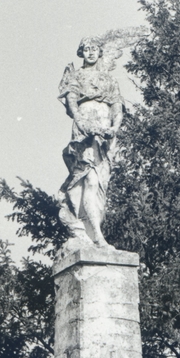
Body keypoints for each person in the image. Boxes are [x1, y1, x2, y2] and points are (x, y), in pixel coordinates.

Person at [57, 36, 124, 248]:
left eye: (95, 49)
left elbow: (117, 108)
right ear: (81, 52)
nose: (91, 52)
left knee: (100, 184)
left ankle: (91, 229)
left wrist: (114, 128)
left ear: (100, 52)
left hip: (105, 135)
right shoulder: (76, 76)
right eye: (87, 49)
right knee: (89, 179)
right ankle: (97, 236)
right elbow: (72, 103)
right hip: (85, 131)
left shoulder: (109, 80)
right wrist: (82, 122)